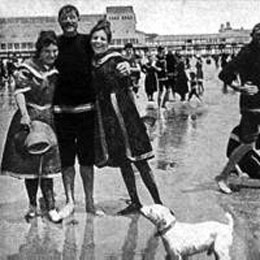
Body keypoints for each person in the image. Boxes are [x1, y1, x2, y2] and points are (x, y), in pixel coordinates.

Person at [53, 5, 130, 218]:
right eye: (64, 18)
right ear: (59, 21)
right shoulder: (56, 44)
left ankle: (89, 201)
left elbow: (107, 53)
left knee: (86, 160)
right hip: (61, 111)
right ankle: (69, 201)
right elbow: (41, 63)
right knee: (67, 159)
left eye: (72, 17)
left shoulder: (87, 42)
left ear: (78, 19)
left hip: (87, 111)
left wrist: (126, 64)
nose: (68, 21)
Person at [90, 19, 163, 215]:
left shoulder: (116, 59)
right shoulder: (92, 62)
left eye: (102, 39)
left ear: (108, 41)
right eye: (95, 38)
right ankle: (136, 202)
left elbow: (130, 75)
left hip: (124, 114)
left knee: (140, 160)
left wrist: (129, 69)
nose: (98, 42)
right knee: (124, 161)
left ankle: (159, 204)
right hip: (107, 119)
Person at [1, 30, 62, 223]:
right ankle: (33, 205)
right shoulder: (28, 67)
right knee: (31, 165)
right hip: (31, 117)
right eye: (47, 51)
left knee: (49, 166)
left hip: (50, 118)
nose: (52, 55)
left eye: (54, 51)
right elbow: (19, 92)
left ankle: (51, 206)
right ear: (39, 51)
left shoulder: (56, 67)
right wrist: (25, 115)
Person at [215, 23, 260, 194]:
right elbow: (224, 74)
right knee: (248, 143)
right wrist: (239, 88)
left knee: (249, 142)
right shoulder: (246, 53)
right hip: (251, 106)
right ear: (252, 35)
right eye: (258, 34)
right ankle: (223, 176)